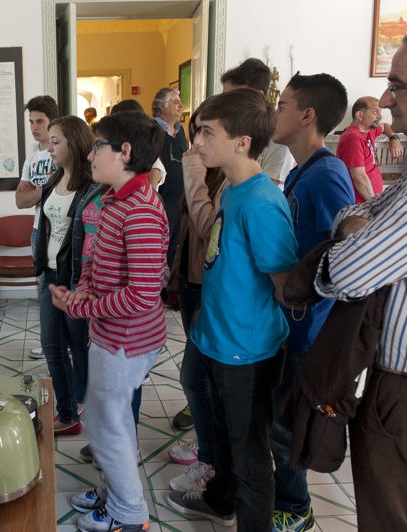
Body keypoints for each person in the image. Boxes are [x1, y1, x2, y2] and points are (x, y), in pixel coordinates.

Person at [313, 21, 407, 532]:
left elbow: (347, 270)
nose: (386, 100)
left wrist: (356, 234)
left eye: (399, 85)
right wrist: (357, 226)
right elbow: (353, 212)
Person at [166, 89, 298, 530]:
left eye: (207, 132)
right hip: (216, 339)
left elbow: (285, 289)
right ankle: (221, 501)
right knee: (223, 438)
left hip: (247, 351)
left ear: (242, 142)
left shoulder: (262, 202)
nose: (197, 141)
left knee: (249, 456)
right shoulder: (232, 190)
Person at [54, 111, 168, 532]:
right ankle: (112, 493)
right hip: (111, 332)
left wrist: (81, 309)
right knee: (109, 420)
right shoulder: (115, 199)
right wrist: (83, 289)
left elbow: (141, 295)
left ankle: (129, 511)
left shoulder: (140, 210)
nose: (90, 154)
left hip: (126, 339)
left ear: (125, 152)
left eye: (98, 145)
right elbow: (98, 259)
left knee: (106, 426)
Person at [269, 72, 354, 532]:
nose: (275, 113)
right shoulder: (301, 171)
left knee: (287, 425)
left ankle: (296, 508)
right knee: (277, 418)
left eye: (282, 105)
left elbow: (343, 251)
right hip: (290, 321)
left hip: (308, 327)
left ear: (307, 115)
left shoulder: (327, 175)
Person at [165, 107, 229, 493]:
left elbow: (207, 228)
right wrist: (175, 278)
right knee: (198, 377)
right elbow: (187, 233)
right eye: (195, 132)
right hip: (191, 284)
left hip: (210, 289)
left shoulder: (228, 182)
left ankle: (211, 458)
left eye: (206, 133)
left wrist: (191, 171)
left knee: (196, 377)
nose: (197, 142)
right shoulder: (208, 173)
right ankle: (208, 447)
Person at [33, 115, 93, 435]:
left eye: (56, 141)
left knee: (77, 343)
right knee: (51, 345)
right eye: (50, 141)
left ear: (75, 143)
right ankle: (68, 413)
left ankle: (83, 405)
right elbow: (46, 229)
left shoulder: (91, 188)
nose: (49, 147)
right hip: (50, 275)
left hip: (74, 277)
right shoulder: (52, 182)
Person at [15, 95, 59, 360]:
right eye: (31, 121)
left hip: (62, 229)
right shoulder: (31, 159)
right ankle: (49, 343)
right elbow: (20, 201)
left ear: (52, 122)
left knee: (65, 287)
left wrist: (37, 193)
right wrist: (48, 190)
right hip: (38, 230)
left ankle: (67, 341)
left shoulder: (60, 152)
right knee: (44, 288)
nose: (34, 127)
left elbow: (67, 193)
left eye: (39, 121)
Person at [220, 58, 296, 187]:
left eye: (234, 97)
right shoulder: (229, 128)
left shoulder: (277, 138)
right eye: (224, 97)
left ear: (258, 96)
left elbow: (266, 190)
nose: (226, 104)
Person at [336, 96, 404, 204]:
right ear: (360, 115)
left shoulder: (369, 130)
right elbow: (359, 178)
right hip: (361, 204)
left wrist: (394, 138)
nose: (380, 116)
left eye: (380, 112)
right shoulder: (353, 138)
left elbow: (385, 126)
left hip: (370, 200)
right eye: (375, 112)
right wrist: (374, 204)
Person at [151, 87, 187, 268]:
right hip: (162, 200)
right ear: (161, 106)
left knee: (176, 249)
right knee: (159, 249)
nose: (181, 105)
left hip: (180, 200)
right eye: (175, 102)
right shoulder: (151, 130)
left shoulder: (181, 131)